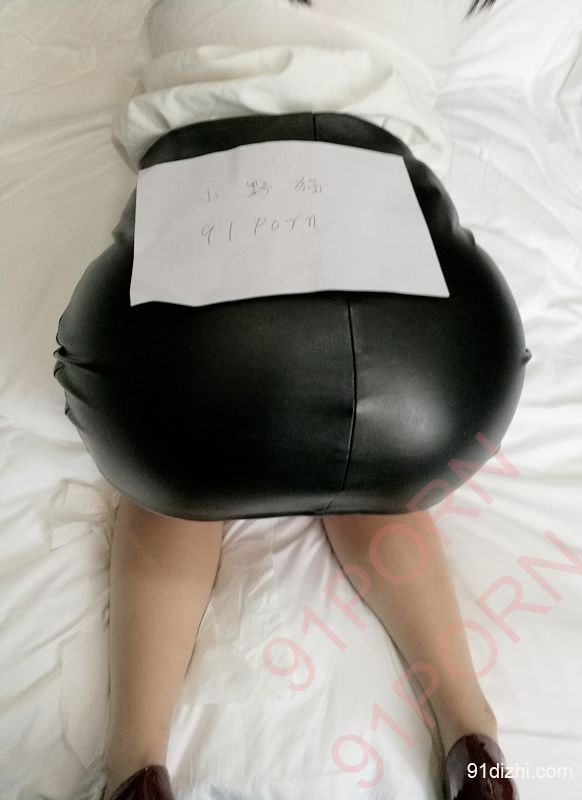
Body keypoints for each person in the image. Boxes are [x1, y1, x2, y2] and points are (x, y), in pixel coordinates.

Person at [53, 1, 523, 798]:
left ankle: (134, 769)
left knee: (176, 482)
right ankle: (473, 741)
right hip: (433, 374)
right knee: (381, 476)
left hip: (195, 352)